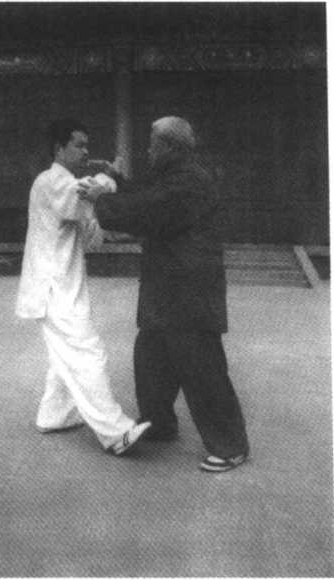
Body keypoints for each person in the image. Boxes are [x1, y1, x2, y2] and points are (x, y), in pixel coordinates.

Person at [79, 116, 249, 472]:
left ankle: (231, 446)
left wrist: (103, 199)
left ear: (169, 147)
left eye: (152, 145)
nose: (147, 151)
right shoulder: (176, 176)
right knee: (151, 357)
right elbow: (147, 197)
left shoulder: (190, 181)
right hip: (169, 286)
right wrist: (119, 182)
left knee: (202, 366)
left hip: (189, 289)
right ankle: (159, 424)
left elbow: (149, 211)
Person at [15, 118, 151, 455]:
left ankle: (54, 416)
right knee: (87, 353)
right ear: (58, 148)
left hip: (61, 285)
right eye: (79, 145)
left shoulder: (65, 186)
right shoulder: (51, 181)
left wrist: (101, 202)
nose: (86, 151)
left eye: (87, 145)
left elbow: (90, 232)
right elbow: (86, 195)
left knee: (65, 356)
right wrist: (112, 176)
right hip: (54, 289)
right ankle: (115, 432)